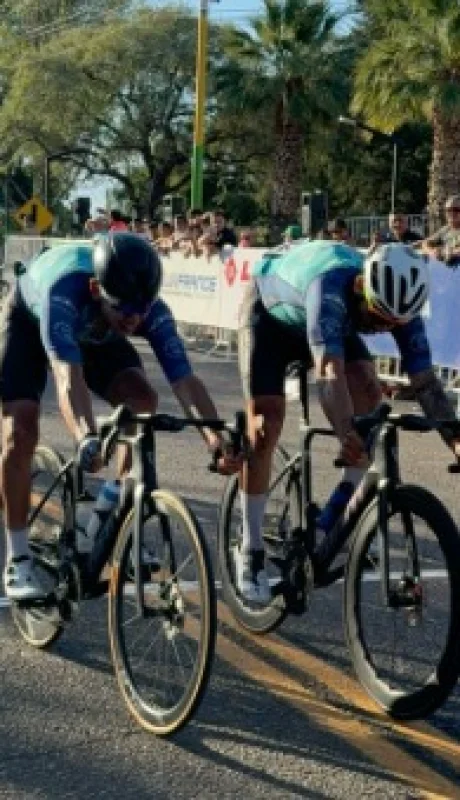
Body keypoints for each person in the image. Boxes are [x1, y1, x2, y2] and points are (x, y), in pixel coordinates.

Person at [0, 233, 239, 600]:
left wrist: (215, 439)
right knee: (19, 431)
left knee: (142, 401)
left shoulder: (142, 309)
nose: (134, 318)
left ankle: (113, 515)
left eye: (142, 309)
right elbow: (67, 377)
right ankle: (17, 558)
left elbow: (185, 380)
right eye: (125, 309)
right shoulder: (64, 292)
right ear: (96, 289)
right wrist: (86, 437)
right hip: (29, 327)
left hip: (96, 330)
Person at [236, 240, 460, 603]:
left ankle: (334, 521)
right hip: (270, 317)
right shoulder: (331, 288)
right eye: (378, 318)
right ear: (361, 286)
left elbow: (426, 384)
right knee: (266, 423)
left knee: (370, 394)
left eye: (392, 324)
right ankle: (251, 548)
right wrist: (345, 432)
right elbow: (329, 374)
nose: (382, 328)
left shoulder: (398, 307)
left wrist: (455, 440)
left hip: (329, 327)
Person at [422, 194, 460, 266]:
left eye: (456, 210)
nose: (452, 213)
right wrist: (431, 252)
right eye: (448, 210)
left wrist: (450, 252)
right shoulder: (445, 229)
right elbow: (425, 243)